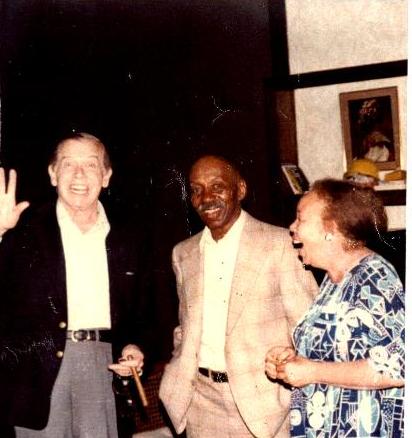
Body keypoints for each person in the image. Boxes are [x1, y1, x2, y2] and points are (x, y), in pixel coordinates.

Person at [0, 132, 152, 437]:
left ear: (106, 176)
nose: (79, 174)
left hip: (103, 366)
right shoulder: (22, 228)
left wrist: (134, 346)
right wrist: (0, 230)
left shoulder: (130, 236)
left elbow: (145, 311)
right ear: (53, 174)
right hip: (38, 372)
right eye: (69, 164)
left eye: (91, 165)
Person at [159, 155, 318, 438]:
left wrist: (287, 388)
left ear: (240, 190)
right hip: (200, 404)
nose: (206, 197)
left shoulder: (280, 244)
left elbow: (309, 329)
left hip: (264, 408)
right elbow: (185, 326)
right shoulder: (183, 253)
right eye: (196, 190)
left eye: (217, 186)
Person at [265, 178, 404, 437]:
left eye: (301, 219)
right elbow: (342, 352)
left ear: (331, 228)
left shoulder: (374, 278)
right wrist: (292, 360)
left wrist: (312, 371)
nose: (292, 227)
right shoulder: (334, 279)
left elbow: (399, 366)